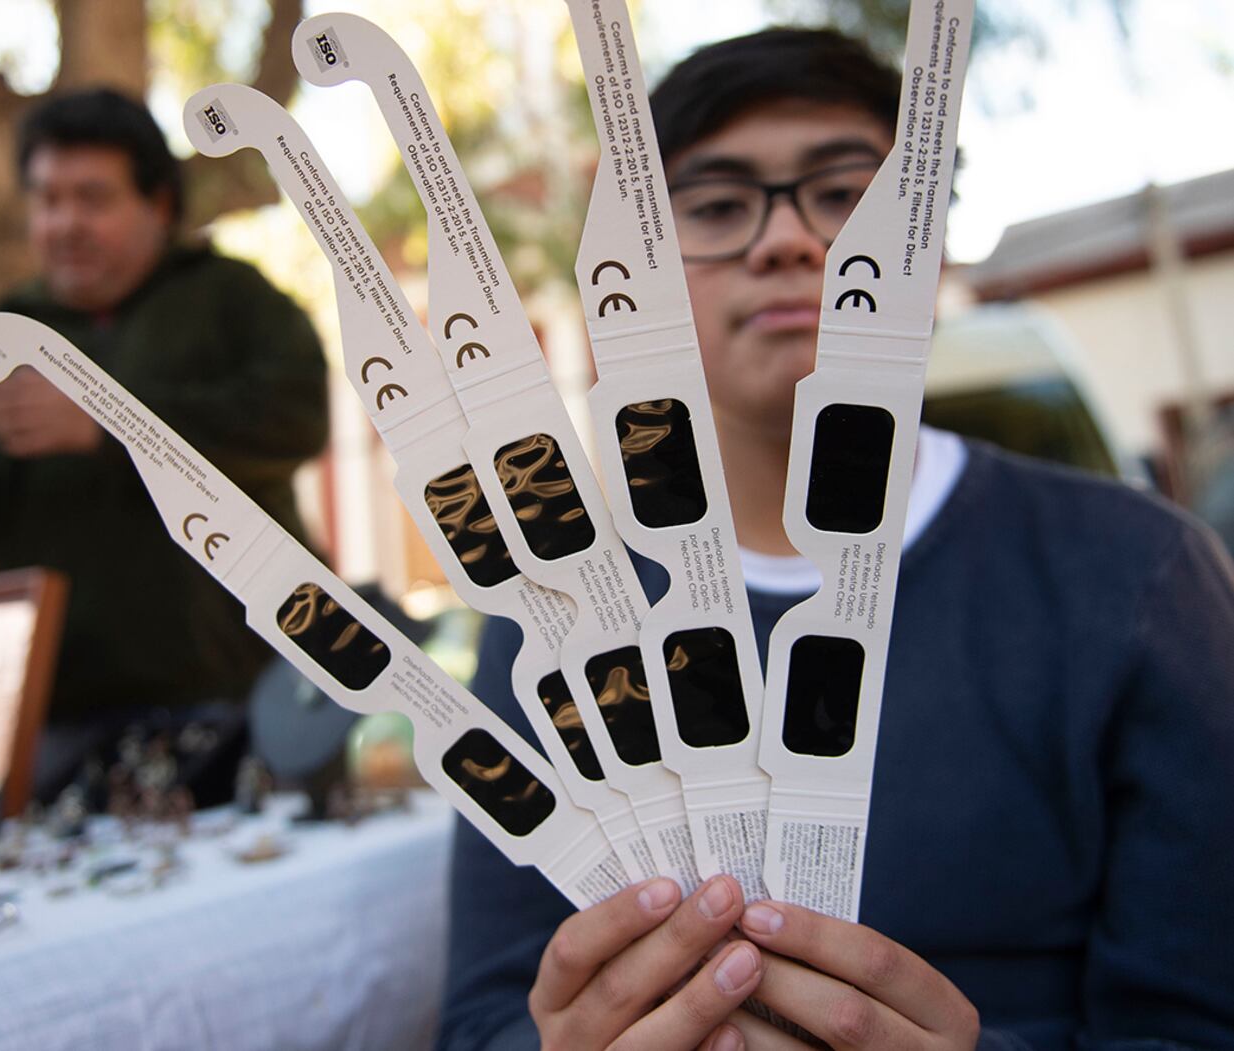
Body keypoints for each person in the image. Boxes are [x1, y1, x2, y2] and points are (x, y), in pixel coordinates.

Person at [439, 28, 1234, 1051]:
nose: (784, 242)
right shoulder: (554, 607)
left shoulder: (1136, 574)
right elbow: (481, 1014)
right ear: (628, 273)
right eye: (716, 206)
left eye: (845, 193)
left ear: (931, 243)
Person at [0, 88, 330, 798]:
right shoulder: (1, 331)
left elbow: (298, 417)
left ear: (159, 205)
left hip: (248, 697)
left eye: (93, 198)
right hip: (57, 726)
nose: (63, 223)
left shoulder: (232, 297)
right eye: (47, 198)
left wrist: (111, 423)